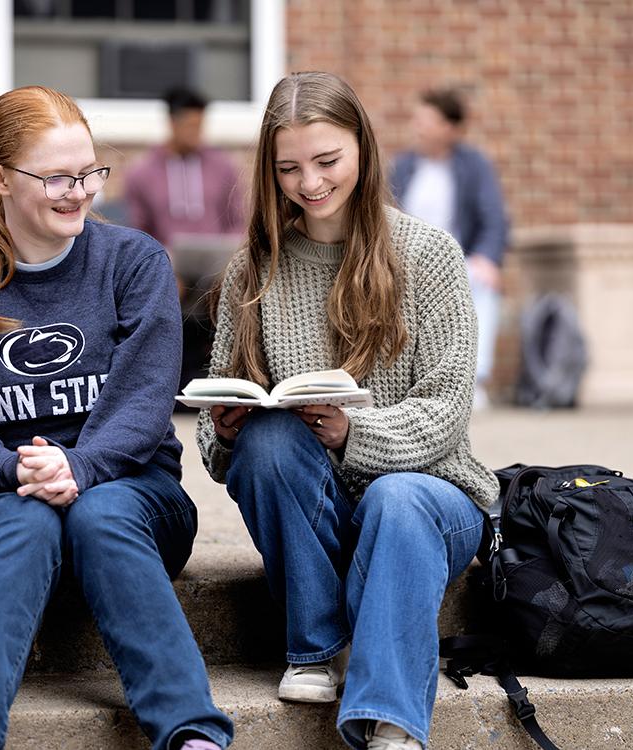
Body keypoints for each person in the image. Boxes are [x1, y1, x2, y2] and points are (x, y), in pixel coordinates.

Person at [0, 85, 233, 750]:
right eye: (55, 177)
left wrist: (79, 467)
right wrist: (18, 468)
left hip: (136, 496)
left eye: (88, 173)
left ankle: (191, 735)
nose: (79, 191)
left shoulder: (133, 262)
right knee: (26, 520)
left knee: (97, 511)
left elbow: (142, 408)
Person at [196, 72, 499, 750]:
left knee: (395, 500)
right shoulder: (256, 267)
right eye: (289, 168)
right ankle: (313, 647)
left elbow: (447, 411)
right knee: (269, 441)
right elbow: (217, 414)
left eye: (327, 161)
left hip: (432, 498)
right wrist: (224, 431)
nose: (310, 183)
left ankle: (389, 726)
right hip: (317, 504)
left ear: (363, 148)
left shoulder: (428, 253)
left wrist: (351, 432)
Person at [390, 88, 509, 408]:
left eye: (426, 120)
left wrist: (488, 258)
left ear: (450, 129)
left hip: (458, 263)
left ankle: (474, 379)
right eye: (417, 119)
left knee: (483, 280)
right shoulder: (402, 166)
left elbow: (494, 219)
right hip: (404, 262)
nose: (418, 127)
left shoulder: (474, 166)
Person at [124, 86, 245, 391]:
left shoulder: (223, 167)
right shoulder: (142, 172)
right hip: (166, 264)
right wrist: (159, 263)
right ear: (173, 124)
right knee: (163, 281)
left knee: (232, 279)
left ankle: (222, 374)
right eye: (191, 126)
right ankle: (169, 376)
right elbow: (136, 230)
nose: (197, 133)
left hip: (216, 266)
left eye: (201, 125)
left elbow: (237, 224)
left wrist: (227, 257)